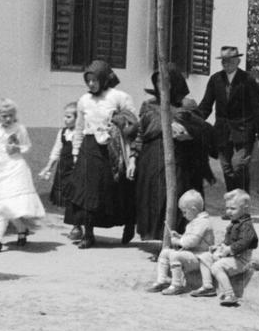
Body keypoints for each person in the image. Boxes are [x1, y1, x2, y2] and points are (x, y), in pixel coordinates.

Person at [133, 66, 213, 243]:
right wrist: (133, 157)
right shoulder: (149, 105)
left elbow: (203, 130)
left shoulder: (187, 105)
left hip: (181, 159)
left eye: (166, 82)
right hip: (152, 158)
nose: (162, 85)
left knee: (177, 197)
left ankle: (177, 239)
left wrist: (189, 135)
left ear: (175, 83)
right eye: (158, 82)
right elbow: (140, 132)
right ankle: (160, 239)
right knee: (155, 197)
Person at [70, 60, 138, 249]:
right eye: (88, 80)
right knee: (86, 190)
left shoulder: (119, 97)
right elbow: (79, 127)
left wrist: (119, 125)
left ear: (103, 79)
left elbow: (133, 124)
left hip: (113, 148)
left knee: (116, 189)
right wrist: (76, 151)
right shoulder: (84, 100)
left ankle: (129, 225)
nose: (91, 84)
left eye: (94, 80)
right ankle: (88, 234)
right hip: (89, 146)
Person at [196, 44, 259, 194]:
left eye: (229, 60)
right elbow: (206, 105)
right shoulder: (215, 79)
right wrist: (194, 121)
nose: (225, 64)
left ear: (238, 61)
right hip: (222, 131)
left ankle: (242, 205)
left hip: (243, 130)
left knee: (239, 165)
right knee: (227, 168)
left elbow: (258, 107)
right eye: (223, 61)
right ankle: (232, 204)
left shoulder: (248, 80)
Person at [0, 99, 46, 250]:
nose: (8, 119)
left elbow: (27, 146)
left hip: (16, 168)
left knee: (8, 204)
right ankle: (21, 229)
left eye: (10, 115)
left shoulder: (19, 129)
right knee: (4, 204)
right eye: (4, 116)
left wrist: (18, 148)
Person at [199, 189, 259, 308]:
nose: (228, 211)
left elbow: (244, 242)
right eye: (227, 208)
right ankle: (208, 286)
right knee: (205, 257)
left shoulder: (246, 225)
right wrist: (219, 246)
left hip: (241, 259)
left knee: (217, 266)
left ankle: (230, 294)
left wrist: (229, 249)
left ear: (245, 208)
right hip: (231, 256)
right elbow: (227, 241)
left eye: (233, 209)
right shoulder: (234, 223)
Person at [148, 189, 215, 294]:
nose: (183, 215)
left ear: (193, 209)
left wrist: (178, 241)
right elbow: (189, 237)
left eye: (185, 212)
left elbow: (191, 242)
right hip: (192, 253)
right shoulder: (195, 222)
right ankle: (163, 279)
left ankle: (177, 284)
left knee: (175, 256)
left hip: (200, 256)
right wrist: (179, 236)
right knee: (165, 252)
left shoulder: (202, 223)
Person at [39, 100, 80, 235]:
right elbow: (56, 151)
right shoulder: (62, 132)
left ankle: (77, 226)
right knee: (68, 198)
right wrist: (48, 167)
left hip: (76, 170)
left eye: (69, 117)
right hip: (63, 169)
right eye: (65, 116)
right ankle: (76, 226)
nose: (65, 119)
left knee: (76, 197)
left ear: (78, 118)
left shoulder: (81, 134)